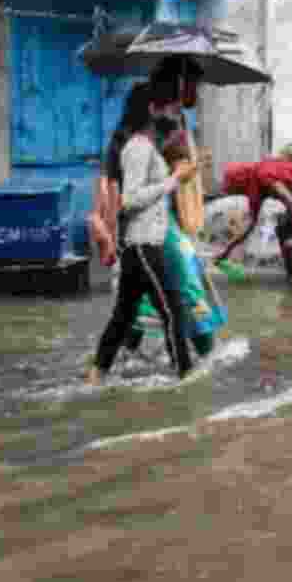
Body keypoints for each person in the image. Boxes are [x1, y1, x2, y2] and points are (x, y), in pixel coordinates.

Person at [86, 80, 200, 384]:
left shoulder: (146, 147)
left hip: (143, 247)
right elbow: (130, 200)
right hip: (144, 246)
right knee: (173, 311)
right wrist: (173, 180)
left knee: (123, 317)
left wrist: (182, 175)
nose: (172, 113)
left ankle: (95, 376)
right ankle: (185, 376)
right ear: (152, 110)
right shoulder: (137, 148)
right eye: (167, 107)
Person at [215, 158, 292, 284]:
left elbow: (291, 202)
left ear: (240, 181)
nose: (238, 194)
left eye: (235, 190)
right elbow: (249, 226)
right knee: (282, 230)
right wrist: (226, 251)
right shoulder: (255, 190)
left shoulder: (263, 174)